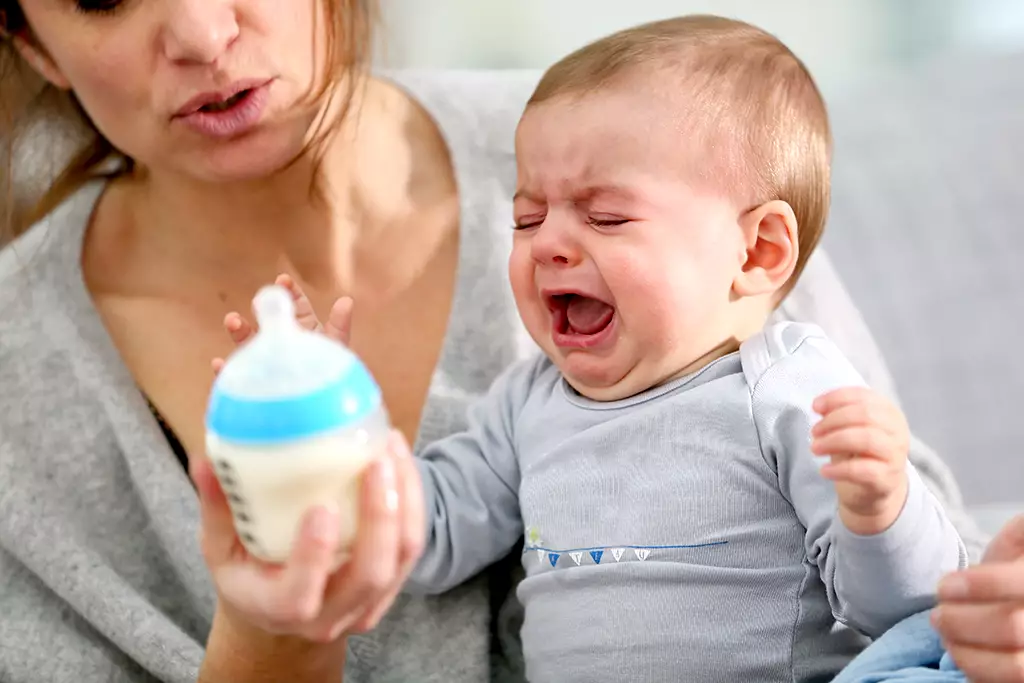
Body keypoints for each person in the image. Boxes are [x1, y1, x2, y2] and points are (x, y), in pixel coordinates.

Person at [0, 1, 1018, 682]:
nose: (201, 30)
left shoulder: (657, 149)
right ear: (31, 41)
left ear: (756, 253)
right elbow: (430, 528)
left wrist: (962, 590)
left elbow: (928, 589)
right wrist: (333, 499)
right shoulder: (528, 404)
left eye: (603, 218)